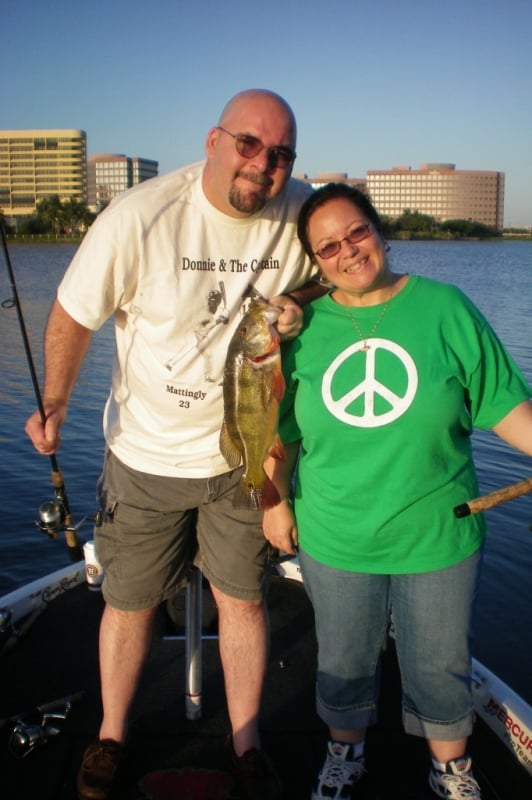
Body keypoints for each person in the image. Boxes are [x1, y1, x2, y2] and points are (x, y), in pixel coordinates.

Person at [25, 89, 324, 800]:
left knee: (243, 600)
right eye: (249, 145)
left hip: (241, 462)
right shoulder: (142, 215)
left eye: (281, 154)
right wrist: (56, 404)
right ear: (214, 141)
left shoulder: (303, 211)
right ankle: (111, 737)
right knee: (126, 603)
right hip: (146, 456)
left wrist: (301, 304)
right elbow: (72, 312)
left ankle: (247, 743)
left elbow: (351, 265)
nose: (264, 165)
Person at [262, 182, 532, 800]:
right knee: (342, 659)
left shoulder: (445, 307)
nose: (347, 251)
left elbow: (507, 406)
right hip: (336, 533)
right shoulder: (297, 331)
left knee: (441, 665)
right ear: (315, 261)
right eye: (327, 247)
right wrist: (274, 504)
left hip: (439, 531)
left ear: (379, 231)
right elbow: (279, 432)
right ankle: (343, 756)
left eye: (356, 232)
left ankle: (451, 771)